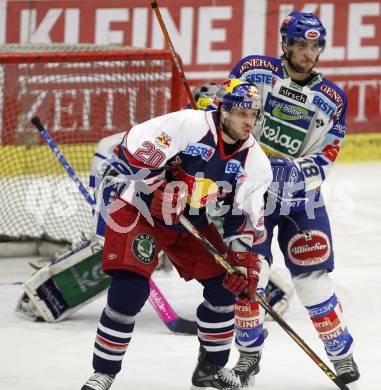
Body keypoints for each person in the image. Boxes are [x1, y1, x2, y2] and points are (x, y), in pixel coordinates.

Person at [81, 78, 273, 390]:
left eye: (253, 115)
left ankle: (210, 368)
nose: (248, 122)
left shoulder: (256, 163)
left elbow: (244, 217)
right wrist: (155, 185)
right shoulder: (187, 124)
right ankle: (104, 372)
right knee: (129, 290)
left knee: (226, 287)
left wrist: (241, 261)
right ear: (223, 110)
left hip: (189, 220)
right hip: (141, 209)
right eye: (241, 113)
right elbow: (129, 151)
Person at [228, 11, 360, 387]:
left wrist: (295, 172)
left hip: (301, 198)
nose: (308, 53)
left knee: (312, 275)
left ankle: (340, 352)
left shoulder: (332, 98)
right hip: (251, 195)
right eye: (301, 45)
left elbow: (326, 155)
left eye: (314, 46)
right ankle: (248, 356)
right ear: (285, 44)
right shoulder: (254, 70)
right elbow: (226, 117)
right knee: (247, 272)